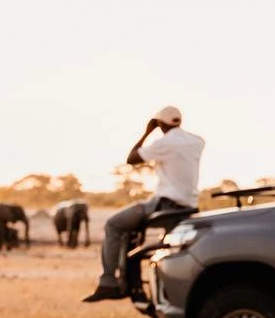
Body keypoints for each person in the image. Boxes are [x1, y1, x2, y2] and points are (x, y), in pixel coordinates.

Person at [83, 105, 204, 302]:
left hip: (165, 203)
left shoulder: (164, 143)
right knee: (128, 230)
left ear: (159, 123)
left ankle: (108, 282)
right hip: (188, 204)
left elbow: (131, 158)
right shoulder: (197, 141)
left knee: (113, 224)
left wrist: (147, 132)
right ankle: (127, 279)